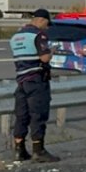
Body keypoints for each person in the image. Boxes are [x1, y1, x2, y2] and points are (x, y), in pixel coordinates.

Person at [10, 8, 59, 163]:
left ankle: (19, 150)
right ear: (42, 20)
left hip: (21, 80)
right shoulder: (38, 35)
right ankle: (39, 150)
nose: (46, 27)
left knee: (21, 115)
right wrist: (52, 51)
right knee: (38, 114)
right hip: (36, 80)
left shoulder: (16, 36)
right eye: (46, 24)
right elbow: (44, 58)